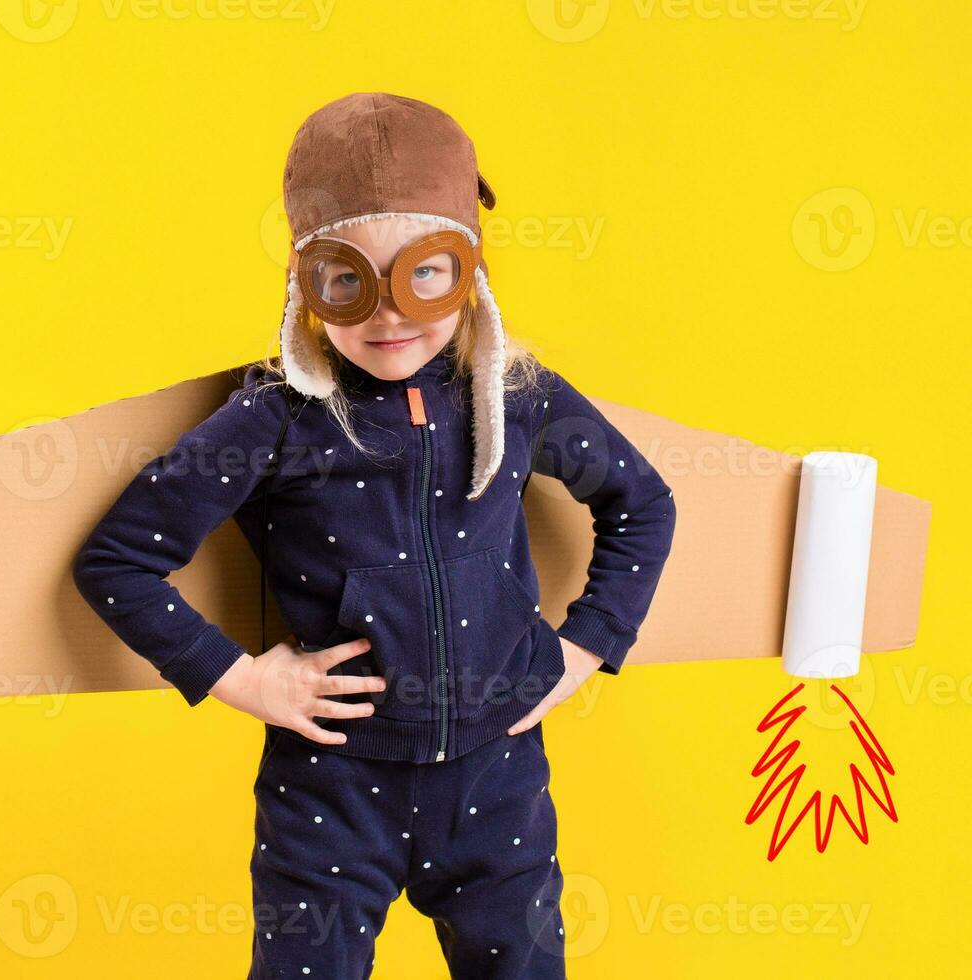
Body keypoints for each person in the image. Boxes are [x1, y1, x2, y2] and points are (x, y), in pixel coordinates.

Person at [73, 92, 677, 979]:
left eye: (424, 272)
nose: (388, 315)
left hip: (495, 780)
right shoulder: (276, 415)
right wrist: (242, 681)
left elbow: (643, 503)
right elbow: (118, 559)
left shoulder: (520, 395)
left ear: (469, 267)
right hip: (330, 789)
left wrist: (587, 647)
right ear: (304, 281)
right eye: (348, 280)